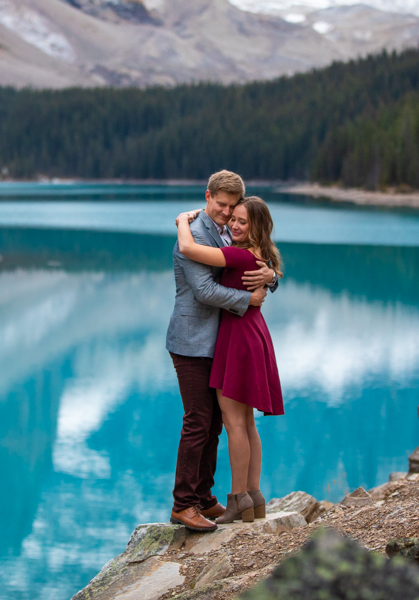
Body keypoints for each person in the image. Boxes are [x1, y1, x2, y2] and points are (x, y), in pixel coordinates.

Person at [166, 171, 278, 532]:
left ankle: (203, 496)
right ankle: (183, 504)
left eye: (232, 208)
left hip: (221, 343)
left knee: (216, 424)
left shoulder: (226, 231)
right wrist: (251, 298)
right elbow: (204, 291)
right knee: (199, 421)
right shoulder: (196, 233)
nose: (227, 214)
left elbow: (254, 256)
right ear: (208, 196)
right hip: (191, 342)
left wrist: (271, 277)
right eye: (222, 205)